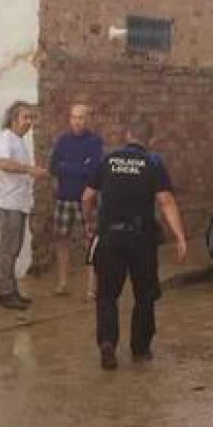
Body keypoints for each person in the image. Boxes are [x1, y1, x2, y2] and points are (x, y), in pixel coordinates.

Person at [81, 118, 187, 370]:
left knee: (106, 295)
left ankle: (107, 342)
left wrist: (89, 221)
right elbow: (166, 202)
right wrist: (179, 236)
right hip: (141, 240)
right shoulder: (153, 163)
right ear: (150, 141)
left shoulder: (108, 160)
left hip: (110, 238)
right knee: (145, 295)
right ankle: (140, 349)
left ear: (127, 135)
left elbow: (87, 196)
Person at [0, 101, 46, 309]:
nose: (29, 122)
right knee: (9, 248)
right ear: (14, 119)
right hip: (9, 202)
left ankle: (10, 290)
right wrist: (29, 169)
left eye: (31, 118)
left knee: (13, 248)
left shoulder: (18, 140)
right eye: (26, 118)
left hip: (19, 202)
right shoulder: (6, 138)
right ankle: (5, 293)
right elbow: (3, 163)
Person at [47, 103, 104, 299]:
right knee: (61, 240)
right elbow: (54, 167)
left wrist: (68, 167)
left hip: (85, 198)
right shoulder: (62, 141)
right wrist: (79, 167)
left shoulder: (94, 142)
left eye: (81, 117)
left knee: (90, 241)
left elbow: (94, 170)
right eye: (73, 117)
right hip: (64, 198)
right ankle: (62, 283)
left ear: (88, 119)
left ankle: (91, 288)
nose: (77, 121)